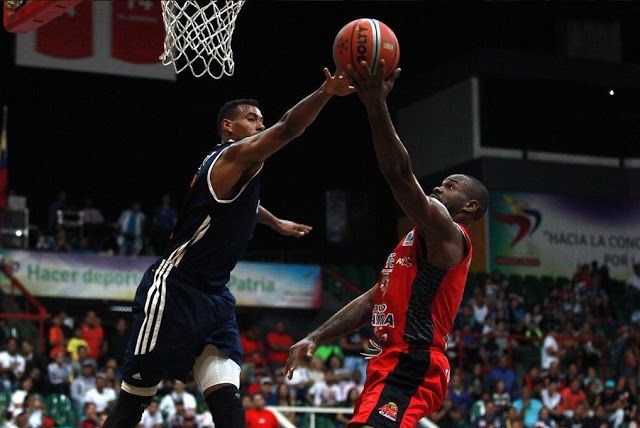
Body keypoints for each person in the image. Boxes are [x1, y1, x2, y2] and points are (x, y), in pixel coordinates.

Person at [103, 67, 354, 428]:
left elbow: (246, 206)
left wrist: (276, 222)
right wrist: (325, 92)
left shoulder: (237, 171)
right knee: (131, 407)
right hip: (174, 288)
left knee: (228, 408)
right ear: (228, 127)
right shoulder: (231, 158)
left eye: (261, 120)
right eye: (252, 119)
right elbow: (288, 128)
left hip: (216, 298)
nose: (259, 125)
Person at [285, 60, 488, 427]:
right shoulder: (414, 240)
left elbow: (397, 174)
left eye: (452, 185)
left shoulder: (448, 234)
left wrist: (375, 104)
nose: (440, 186)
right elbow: (373, 297)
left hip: (413, 361)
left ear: (470, 206)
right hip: (391, 361)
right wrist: (315, 336)